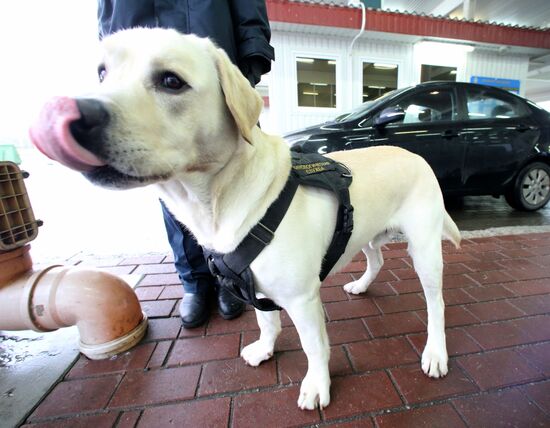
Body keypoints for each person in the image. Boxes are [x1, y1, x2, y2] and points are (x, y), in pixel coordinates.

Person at [97, 0, 275, 328]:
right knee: (176, 191)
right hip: (140, 54)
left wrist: (245, 72)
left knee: (242, 188)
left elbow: (250, 11)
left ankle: (234, 278)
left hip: (215, 62)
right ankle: (194, 281)